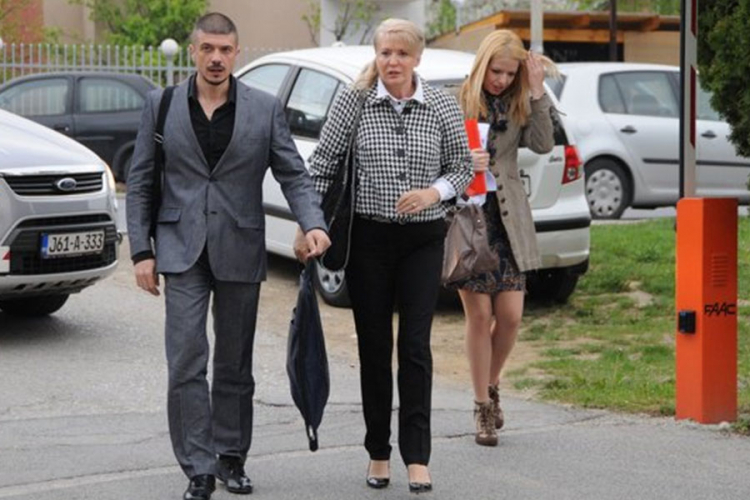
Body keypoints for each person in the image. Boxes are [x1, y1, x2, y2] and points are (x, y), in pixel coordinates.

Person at [126, 13, 330, 500]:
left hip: (240, 245)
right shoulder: (161, 105)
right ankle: (198, 468)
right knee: (186, 359)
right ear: (194, 51)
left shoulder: (264, 108)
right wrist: (141, 251)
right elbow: (140, 181)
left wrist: (314, 222)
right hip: (180, 248)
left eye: (225, 50)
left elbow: (293, 173)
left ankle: (230, 457)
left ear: (237, 53)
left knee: (235, 362)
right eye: (208, 49)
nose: (216, 58)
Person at [297, 18, 472, 493]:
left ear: (417, 58)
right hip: (368, 241)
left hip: (422, 241)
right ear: (376, 55)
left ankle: (417, 456)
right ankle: (378, 451)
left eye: (402, 53)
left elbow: (461, 166)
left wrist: (433, 193)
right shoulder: (353, 102)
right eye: (385, 53)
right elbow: (323, 165)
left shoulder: (440, 104)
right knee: (374, 347)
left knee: (414, 347)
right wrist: (307, 224)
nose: (393, 61)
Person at [452, 30, 558, 447]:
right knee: (479, 316)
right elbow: (434, 154)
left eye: (510, 73)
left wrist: (536, 91)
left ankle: (492, 384)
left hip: (509, 220)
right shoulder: (457, 101)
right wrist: (465, 161)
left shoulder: (519, 101)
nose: (501, 79)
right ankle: (481, 405)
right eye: (496, 71)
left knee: (511, 316)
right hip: (470, 219)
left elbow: (544, 144)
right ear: (483, 64)